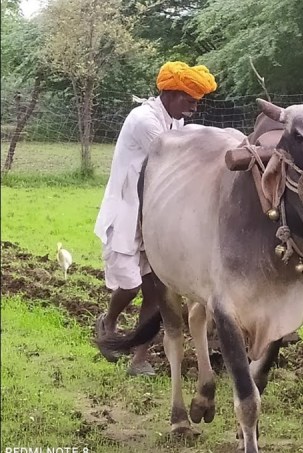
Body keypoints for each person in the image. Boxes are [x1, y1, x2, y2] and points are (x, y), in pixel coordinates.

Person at [94, 61, 217, 376]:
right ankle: (108, 322)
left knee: (157, 293)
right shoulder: (144, 121)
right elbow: (177, 162)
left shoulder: (175, 121)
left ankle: (139, 360)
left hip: (156, 217)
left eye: (196, 102)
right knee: (131, 286)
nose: (193, 108)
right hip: (127, 212)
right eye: (189, 101)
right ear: (171, 94)